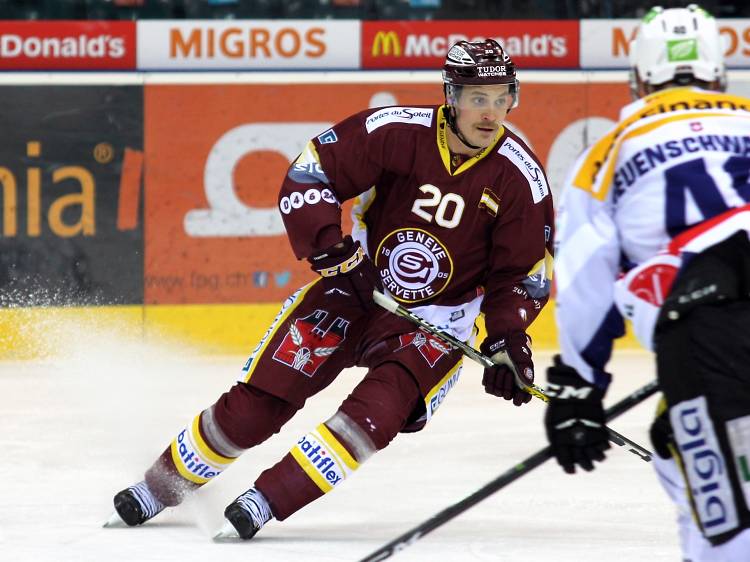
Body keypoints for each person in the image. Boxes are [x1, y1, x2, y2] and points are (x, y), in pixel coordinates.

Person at [109, 38, 554, 539]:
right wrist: (330, 247)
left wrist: (507, 342)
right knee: (260, 403)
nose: (492, 112)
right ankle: (161, 486)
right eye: (478, 97)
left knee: (373, 417)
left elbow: (524, 274)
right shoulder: (396, 131)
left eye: (503, 97)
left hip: (437, 323)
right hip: (355, 286)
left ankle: (266, 500)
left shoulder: (521, 177)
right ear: (450, 95)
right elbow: (311, 168)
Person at [543, 5, 750, 561]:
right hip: (717, 317)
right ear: (718, 72)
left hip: (710, 331)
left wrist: (580, 386)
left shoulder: (608, 153)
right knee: (670, 444)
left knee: (726, 525)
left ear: (639, 77)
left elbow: (586, 273)